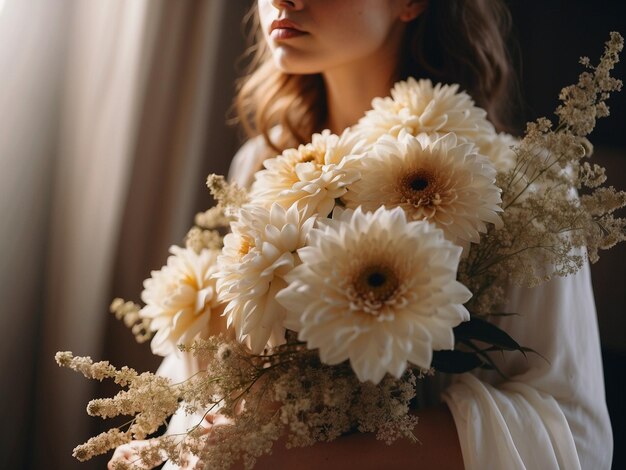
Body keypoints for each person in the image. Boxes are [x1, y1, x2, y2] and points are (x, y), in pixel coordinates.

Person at [111, 1, 613, 468]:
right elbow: (218, 372)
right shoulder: (261, 162)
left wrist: (298, 459)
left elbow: (575, 434)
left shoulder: (520, 188)